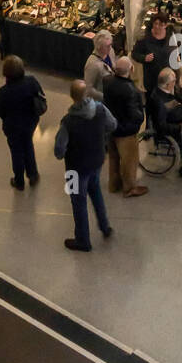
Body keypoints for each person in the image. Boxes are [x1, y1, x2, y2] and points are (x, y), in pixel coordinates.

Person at [54, 80, 115, 251]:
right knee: (95, 192)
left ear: (72, 97)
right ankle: (104, 226)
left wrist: (63, 153)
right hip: (97, 160)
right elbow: (112, 125)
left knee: (77, 202)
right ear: (87, 94)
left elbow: (59, 149)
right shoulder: (101, 109)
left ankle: (82, 240)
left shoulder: (68, 121)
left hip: (75, 168)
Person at [0, 54, 46, 191]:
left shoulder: (4, 92)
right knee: (28, 145)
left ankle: (19, 180)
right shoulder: (31, 81)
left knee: (16, 152)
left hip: (12, 127)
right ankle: (33, 175)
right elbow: (40, 96)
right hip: (30, 123)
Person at [105, 56, 148, 198]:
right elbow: (135, 114)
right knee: (129, 160)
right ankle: (129, 188)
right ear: (131, 69)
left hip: (111, 127)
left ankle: (114, 184)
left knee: (113, 158)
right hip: (126, 131)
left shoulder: (107, 81)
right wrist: (140, 120)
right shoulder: (131, 90)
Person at [131, 14, 175, 104]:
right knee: (151, 102)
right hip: (151, 79)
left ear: (166, 25)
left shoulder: (170, 36)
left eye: (161, 24)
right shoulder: (144, 38)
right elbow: (134, 54)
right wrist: (144, 58)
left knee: (166, 103)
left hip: (167, 78)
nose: (157, 27)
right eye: (156, 23)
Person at [84, 29, 116, 100]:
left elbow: (113, 68)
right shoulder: (92, 64)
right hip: (101, 100)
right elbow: (89, 89)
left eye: (111, 44)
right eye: (107, 46)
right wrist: (105, 97)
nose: (110, 48)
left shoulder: (110, 51)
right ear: (99, 47)